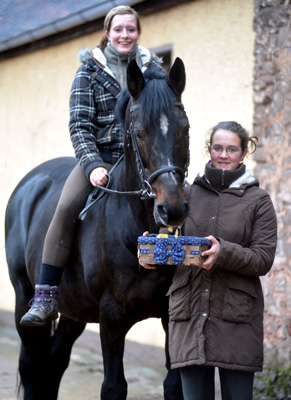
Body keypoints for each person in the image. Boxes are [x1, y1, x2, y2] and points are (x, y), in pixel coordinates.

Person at [20, 5, 161, 327]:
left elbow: (161, 118)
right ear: (108, 33)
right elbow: (80, 126)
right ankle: (45, 295)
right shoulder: (89, 71)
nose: (125, 35)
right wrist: (93, 164)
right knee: (66, 206)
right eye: (119, 29)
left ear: (138, 32)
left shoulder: (153, 69)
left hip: (143, 162)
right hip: (102, 159)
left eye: (131, 29)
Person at [166, 121, 277, 400]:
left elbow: (263, 259)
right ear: (209, 150)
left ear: (243, 153)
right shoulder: (186, 194)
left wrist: (222, 253)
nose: (223, 155)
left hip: (236, 320)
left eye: (231, 149)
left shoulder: (259, 201)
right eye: (218, 148)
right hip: (189, 317)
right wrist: (154, 253)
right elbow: (172, 241)